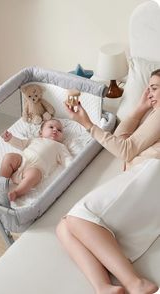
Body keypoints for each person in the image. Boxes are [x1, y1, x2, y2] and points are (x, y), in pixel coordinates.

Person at [56, 69, 160, 294]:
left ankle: (137, 283)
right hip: (145, 177)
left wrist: (88, 124)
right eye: (148, 87)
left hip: (151, 174)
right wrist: (140, 108)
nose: (149, 92)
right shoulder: (153, 114)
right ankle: (104, 288)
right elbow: (122, 139)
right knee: (64, 227)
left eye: (155, 88)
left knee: (77, 218)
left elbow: (124, 150)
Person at [0, 119, 73, 201]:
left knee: (33, 174)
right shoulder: (34, 140)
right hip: (22, 161)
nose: (55, 130)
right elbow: (20, 143)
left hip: (35, 169)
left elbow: (67, 159)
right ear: (41, 133)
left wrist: (73, 166)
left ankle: (16, 193)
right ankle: (0, 183)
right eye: (51, 127)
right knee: (9, 157)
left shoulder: (60, 147)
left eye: (59, 130)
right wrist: (10, 138)